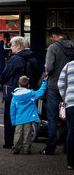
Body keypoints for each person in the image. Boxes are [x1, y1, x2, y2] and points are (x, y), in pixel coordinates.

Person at [42, 27, 74, 155]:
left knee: (52, 117)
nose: (50, 39)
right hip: (70, 87)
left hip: (54, 86)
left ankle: (50, 148)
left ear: (54, 35)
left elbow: (48, 67)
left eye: (51, 37)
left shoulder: (52, 48)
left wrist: (46, 74)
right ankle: (68, 147)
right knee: (69, 118)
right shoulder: (72, 46)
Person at [0, 36, 33, 149]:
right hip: (26, 91)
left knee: (10, 118)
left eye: (12, 45)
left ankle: (9, 142)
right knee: (24, 118)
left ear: (18, 46)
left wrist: (1, 82)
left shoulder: (15, 59)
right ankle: (23, 142)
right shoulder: (30, 57)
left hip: (13, 92)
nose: (10, 48)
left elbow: (6, 73)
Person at [11, 76, 48, 155]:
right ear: (28, 85)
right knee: (27, 134)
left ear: (19, 85)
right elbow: (41, 92)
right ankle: (26, 149)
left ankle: (16, 148)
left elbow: (12, 109)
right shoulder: (31, 94)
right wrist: (44, 82)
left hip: (18, 119)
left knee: (18, 133)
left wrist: (13, 121)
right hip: (28, 118)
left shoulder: (15, 96)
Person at [58, 60, 74, 169]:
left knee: (72, 132)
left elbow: (60, 83)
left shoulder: (68, 65)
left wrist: (66, 97)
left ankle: (70, 163)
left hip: (70, 103)